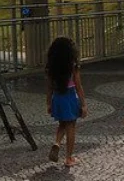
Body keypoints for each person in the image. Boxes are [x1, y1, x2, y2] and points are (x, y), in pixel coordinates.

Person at [45, 36, 87, 167]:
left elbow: (49, 87)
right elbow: (78, 86)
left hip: (57, 97)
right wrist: (84, 104)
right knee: (71, 126)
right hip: (70, 97)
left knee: (62, 123)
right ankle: (69, 158)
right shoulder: (73, 66)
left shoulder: (51, 67)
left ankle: (57, 142)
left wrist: (49, 103)